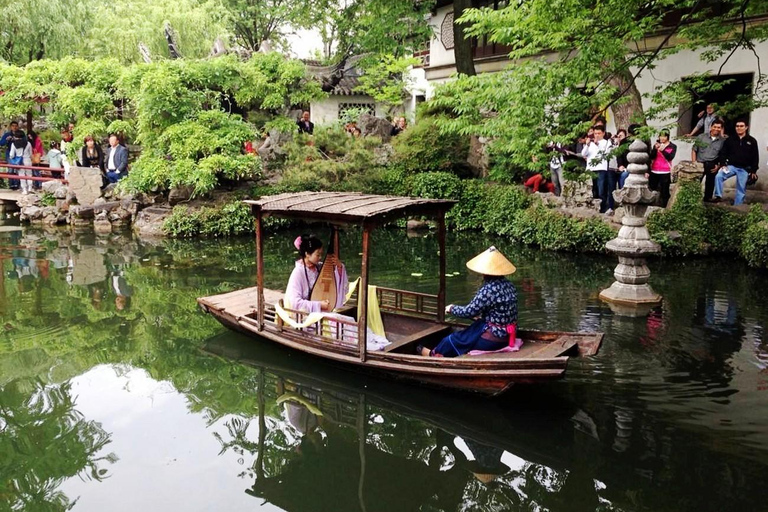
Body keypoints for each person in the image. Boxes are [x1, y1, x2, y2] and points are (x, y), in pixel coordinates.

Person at [419, 246, 518, 357]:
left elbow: (469, 311)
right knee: (467, 333)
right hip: (507, 335)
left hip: (494, 338)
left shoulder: (488, 289)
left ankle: (434, 355)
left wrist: (452, 308)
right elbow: (500, 313)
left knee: (452, 339)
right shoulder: (510, 285)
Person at [285, 234, 348, 313]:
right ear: (307, 254)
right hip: (305, 316)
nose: (320, 257)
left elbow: (336, 279)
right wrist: (319, 305)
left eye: (321, 254)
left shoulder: (319, 267)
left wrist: (339, 266)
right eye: (318, 255)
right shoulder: (298, 273)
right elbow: (295, 303)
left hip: (322, 311)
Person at [714, 118, 759, 205]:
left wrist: (754, 170)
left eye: (741, 126)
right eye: (737, 126)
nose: (739, 128)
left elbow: (755, 156)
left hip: (744, 168)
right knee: (719, 176)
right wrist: (723, 164)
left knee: (741, 188)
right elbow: (723, 152)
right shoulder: (730, 140)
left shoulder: (752, 141)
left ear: (746, 127)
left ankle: (737, 206)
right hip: (731, 166)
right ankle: (718, 196)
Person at [581, 125, 615, 213]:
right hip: (590, 169)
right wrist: (587, 145)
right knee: (592, 190)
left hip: (601, 169)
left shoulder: (607, 142)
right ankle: (592, 208)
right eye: (595, 133)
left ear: (603, 133)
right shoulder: (590, 143)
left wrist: (597, 145)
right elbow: (583, 154)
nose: (597, 135)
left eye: (599, 133)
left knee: (601, 190)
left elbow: (607, 154)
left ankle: (603, 209)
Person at [691, 119, 725, 202]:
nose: (716, 129)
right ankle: (693, 200)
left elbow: (722, 155)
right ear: (711, 127)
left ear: (721, 129)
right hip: (700, 163)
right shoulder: (701, 137)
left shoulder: (722, 141)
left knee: (710, 184)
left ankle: (707, 200)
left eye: (719, 127)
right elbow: (694, 150)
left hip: (712, 164)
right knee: (695, 184)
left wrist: (719, 166)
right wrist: (694, 163)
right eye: (715, 127)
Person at [648, 130, 677, 207]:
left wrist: (663, 150)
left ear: (668, 137)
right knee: (652, 189)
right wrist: (655, 148)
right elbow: (651, 156)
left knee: (665, 191)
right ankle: (652, 206)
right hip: (654, 170)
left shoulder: (672, 146)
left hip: (665, 171)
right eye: (660, 136)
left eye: (664, 136)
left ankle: (665, 207)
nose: (662, 138)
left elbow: (670, 157)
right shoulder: (656, 145)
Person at [1, 121, 22, 189]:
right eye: (13, 126)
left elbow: (25, 141)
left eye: (16, 126)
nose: (14, 127)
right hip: (9, 153)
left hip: (18, 154)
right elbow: (1, 143)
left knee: (18, 169)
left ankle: (17, 184)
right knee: (11, 169)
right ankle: (11, 184)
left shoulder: (21, 133)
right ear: (11, 127)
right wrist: (7, 140)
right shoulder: (7, 134)